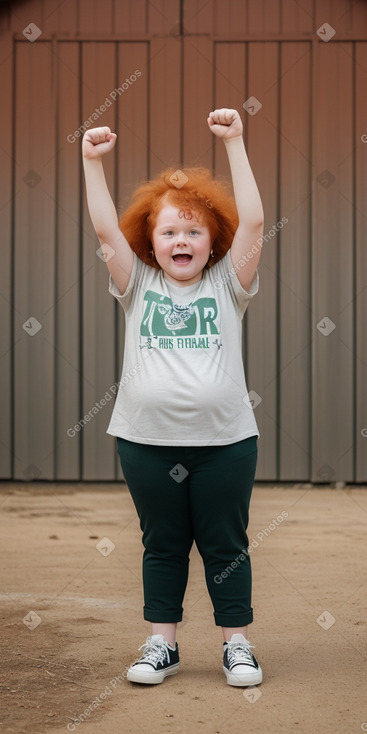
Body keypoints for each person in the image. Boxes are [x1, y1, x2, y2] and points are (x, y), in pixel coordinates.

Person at [82, 108, 264, 687]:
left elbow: (257, 223)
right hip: (145, 442)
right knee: (162, 542)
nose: (180, 239)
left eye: (193, 230)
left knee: (225, 543)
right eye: (168, 231)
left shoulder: (227, 283)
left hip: (226, 442)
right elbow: (105, 230)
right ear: (151, 241)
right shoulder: (136, 284)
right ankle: (163, 645)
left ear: (213, 243)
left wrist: (235, 142)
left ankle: (237, 645)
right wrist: (91, 163)